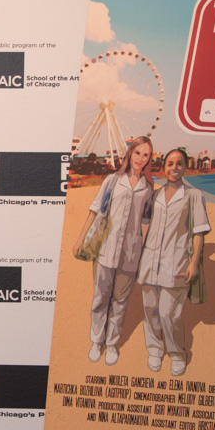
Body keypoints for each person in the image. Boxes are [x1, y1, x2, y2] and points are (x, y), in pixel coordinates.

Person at [74, 136, 154, 365]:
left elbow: (145, 221)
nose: (141, 158)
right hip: (105, 250)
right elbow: (95, 210)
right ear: (130, 153)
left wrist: (142, 250)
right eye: (137, 153)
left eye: (146, 155)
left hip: (131, 253)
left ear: (149, 159)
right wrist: (80, 239)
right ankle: (96, 341)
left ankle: (111, 344)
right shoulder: (112, 180)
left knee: (120, 301)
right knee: (101, 298)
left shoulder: (148, 188)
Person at [137, 148, 210, 376]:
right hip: (149, 262)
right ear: (163, 167)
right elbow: (144, 226)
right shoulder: (155, 195)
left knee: (170, 313)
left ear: (185, 167)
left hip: (177, 262)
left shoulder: (193, 194)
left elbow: (199, 232)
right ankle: (154, 349)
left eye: (179, 163)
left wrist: (193, 263)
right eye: (170, 163)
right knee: (150, 310)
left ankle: (177, 354)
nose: (174, 168)